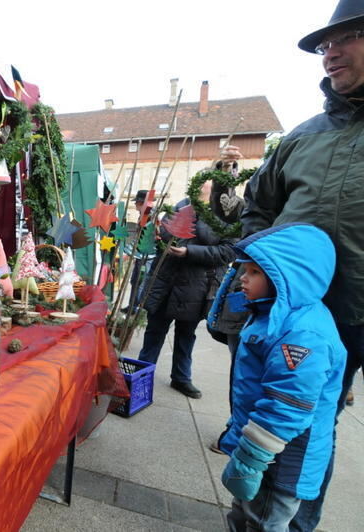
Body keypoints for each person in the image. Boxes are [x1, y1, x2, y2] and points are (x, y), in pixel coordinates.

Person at [232, 1, 364, 527]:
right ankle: (261, 517)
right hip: (292, 316)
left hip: (356, 316)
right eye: (323, 45)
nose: (328, 53)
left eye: (346, 37)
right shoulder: (302, 136)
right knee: (283, 420)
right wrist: (261, 271)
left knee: (311, 426)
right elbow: (257, 207)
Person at [220, 224, 345, 531]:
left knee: (263, 521)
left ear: (286, 277)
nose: (243, 278)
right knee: (245, 513)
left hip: (282, 457)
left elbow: (286, 405)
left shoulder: (302, 334)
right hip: (268, 451)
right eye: (243, 270)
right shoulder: (275, 313)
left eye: (255, 272)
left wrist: (250, 459)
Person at [136, 179, 235, 398]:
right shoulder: (180, 207)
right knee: (154, 332)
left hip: (198, 288)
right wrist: (160, 235)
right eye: (198, 184)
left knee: (186, 335)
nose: (200, 188)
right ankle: (140, 378)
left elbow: (228, 252)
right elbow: (167, 237)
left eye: (206, 185)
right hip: (166, 283)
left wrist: (191, 252)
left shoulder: (225, 218)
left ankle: (181, 378)